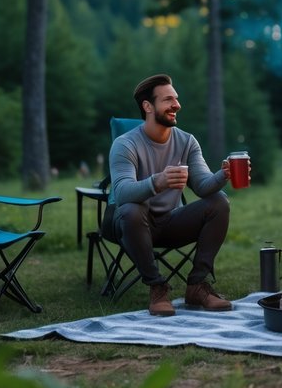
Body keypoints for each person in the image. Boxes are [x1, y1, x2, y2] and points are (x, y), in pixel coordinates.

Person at [102, 73, 245, 316]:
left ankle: (197, 286)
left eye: (176, 99)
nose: (176, 105)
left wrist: (223, 175)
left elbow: (202, 186)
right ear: (148, 106)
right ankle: (157, 288)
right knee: (131, 209)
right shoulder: (126, 144)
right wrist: (157, 182)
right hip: (129, 224)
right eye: (168, 100)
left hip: (168, 222)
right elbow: (122, 192)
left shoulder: (187, 142)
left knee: (219, 202)